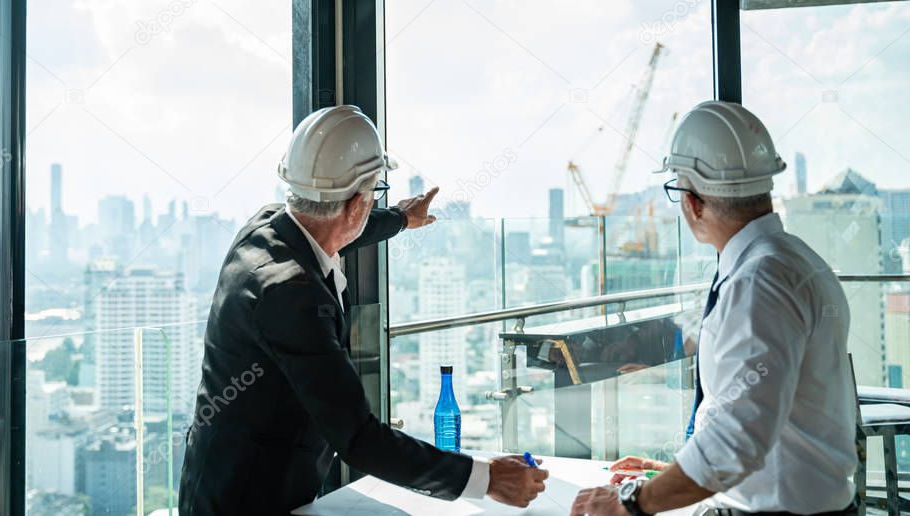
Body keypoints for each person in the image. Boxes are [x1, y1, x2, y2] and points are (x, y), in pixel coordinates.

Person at [178, 105, 548, 514]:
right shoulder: (291, 293)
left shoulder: (267, 227)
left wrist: (402, 219)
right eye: (374, 196)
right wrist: (486, 478)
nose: (371, 206)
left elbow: (341, 227)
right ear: (356, 204)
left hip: (225, 479)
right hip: (247, 501)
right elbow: (358, 437)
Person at [571, 101, 857, 516]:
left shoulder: (759, 282)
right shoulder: (792, 259)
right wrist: (673, 475)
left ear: (693, 203)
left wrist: (630, 502)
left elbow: (737, 440)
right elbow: (767, 418)